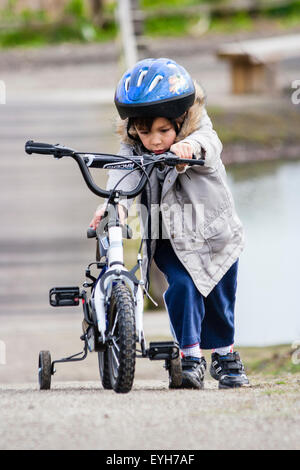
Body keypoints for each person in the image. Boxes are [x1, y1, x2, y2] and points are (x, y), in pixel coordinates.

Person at [90, 58, 249, 390]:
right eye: (145, 132)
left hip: (213, 233)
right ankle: (190, 358)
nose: (155, 141)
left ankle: (225, 355)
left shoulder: (198, 133)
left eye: (164, 131)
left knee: (220, 293)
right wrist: (113, 204)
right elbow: (122, 171)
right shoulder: (135, 146)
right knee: (182, 288)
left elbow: (210, 144)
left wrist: (189, 147)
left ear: (181, 121)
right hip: (168, 236)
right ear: (134, 128)